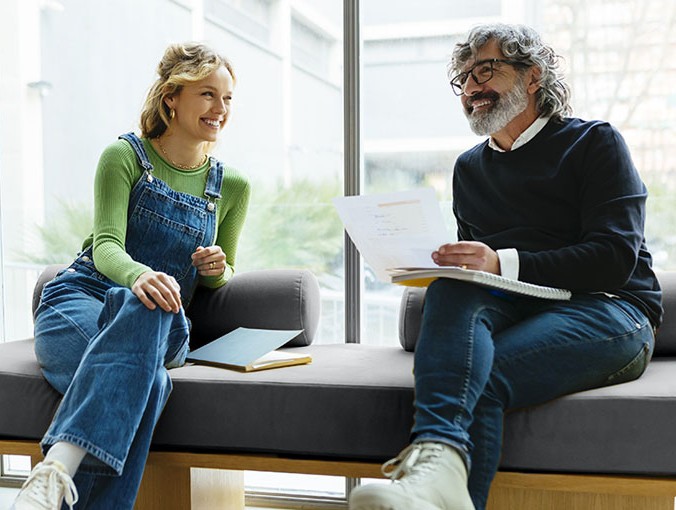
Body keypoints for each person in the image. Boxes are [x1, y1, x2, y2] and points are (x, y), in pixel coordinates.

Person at [349, 23, 662, 510]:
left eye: (486, 71)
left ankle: (433, 487)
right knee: (451, 290)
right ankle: (434, 477)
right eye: (463, 79)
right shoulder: (469, 168)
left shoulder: (595, 143)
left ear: (532, 76)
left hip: (611, 310)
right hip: (524, 306)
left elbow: (614, 258)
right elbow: (480, 280)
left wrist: (502, 261)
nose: (471, 88)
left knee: (479, 375)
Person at [11, 42, 250, 510]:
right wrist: (139, 276)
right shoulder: (123, 157)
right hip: (82, 300)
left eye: (227, 98)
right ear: (171, 99)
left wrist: (218, 270)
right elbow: (105, 248)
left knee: (153, 303)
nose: (220, 109)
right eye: (206, 95)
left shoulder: (233, 187)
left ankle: (55, 469)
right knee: (151, 383)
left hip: (162, 321)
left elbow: (226, 275)